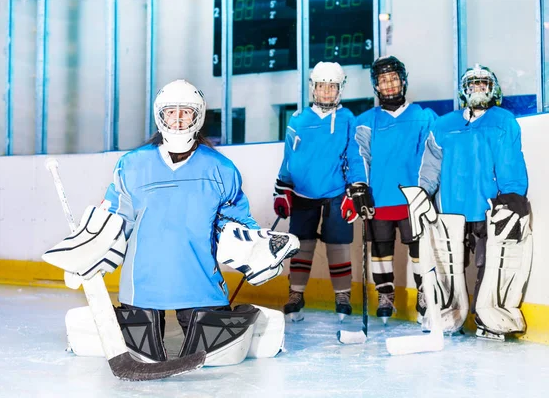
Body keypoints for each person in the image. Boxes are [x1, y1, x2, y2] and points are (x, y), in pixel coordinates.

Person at [44, 79, 299, 365]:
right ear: (160, 116)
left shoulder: (221, 169)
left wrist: (261, 249)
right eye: (171, 112)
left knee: (213, 351)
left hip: (200, 279)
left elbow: (236, 221)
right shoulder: (132, 165)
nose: (178, 119)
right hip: (143, 284)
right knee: (142, 352)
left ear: (197, 116)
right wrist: (86, 253)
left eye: (186, 112)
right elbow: (116, 218)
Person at [417, 64, 531, 339]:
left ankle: (486, 317)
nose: (478, 89)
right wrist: (422, 193)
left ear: (493, 89)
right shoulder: (444, 125)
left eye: (483, 84)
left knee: (488, 264)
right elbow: (431, 167)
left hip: (487, 208)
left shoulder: (503, 121)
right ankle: (446, 314)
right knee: (448, 265)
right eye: (473, 84)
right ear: (463, 90)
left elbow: (509, 161)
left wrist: (513, 194)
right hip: (451, 211)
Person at [341, 55, 437, 324]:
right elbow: (359, 155)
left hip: (412, 200)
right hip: (379, 198)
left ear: (403, 81)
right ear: (376, 86)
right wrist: (359, 186)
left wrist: (426, 191)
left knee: (419, 250)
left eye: (394, 78)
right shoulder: (365, 121)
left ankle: (424, 293)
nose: (390, 85)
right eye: (384, 80)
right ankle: (385, 295)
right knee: (380, 250)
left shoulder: (424, 117)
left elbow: (432, 156)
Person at [274, 62, 355, 322]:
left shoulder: (347, 119)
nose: (327, 92)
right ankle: (296, 294)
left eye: (332, 87)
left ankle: (342, 295)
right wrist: (282, 188)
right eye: (322, 86)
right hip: (302, 195)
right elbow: (289, 158)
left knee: (339, 246)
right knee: (301, 246)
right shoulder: (298, 119)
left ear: (340, 89)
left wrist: (356, 190)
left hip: (336, 193)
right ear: (313, 88)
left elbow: (355, 157)